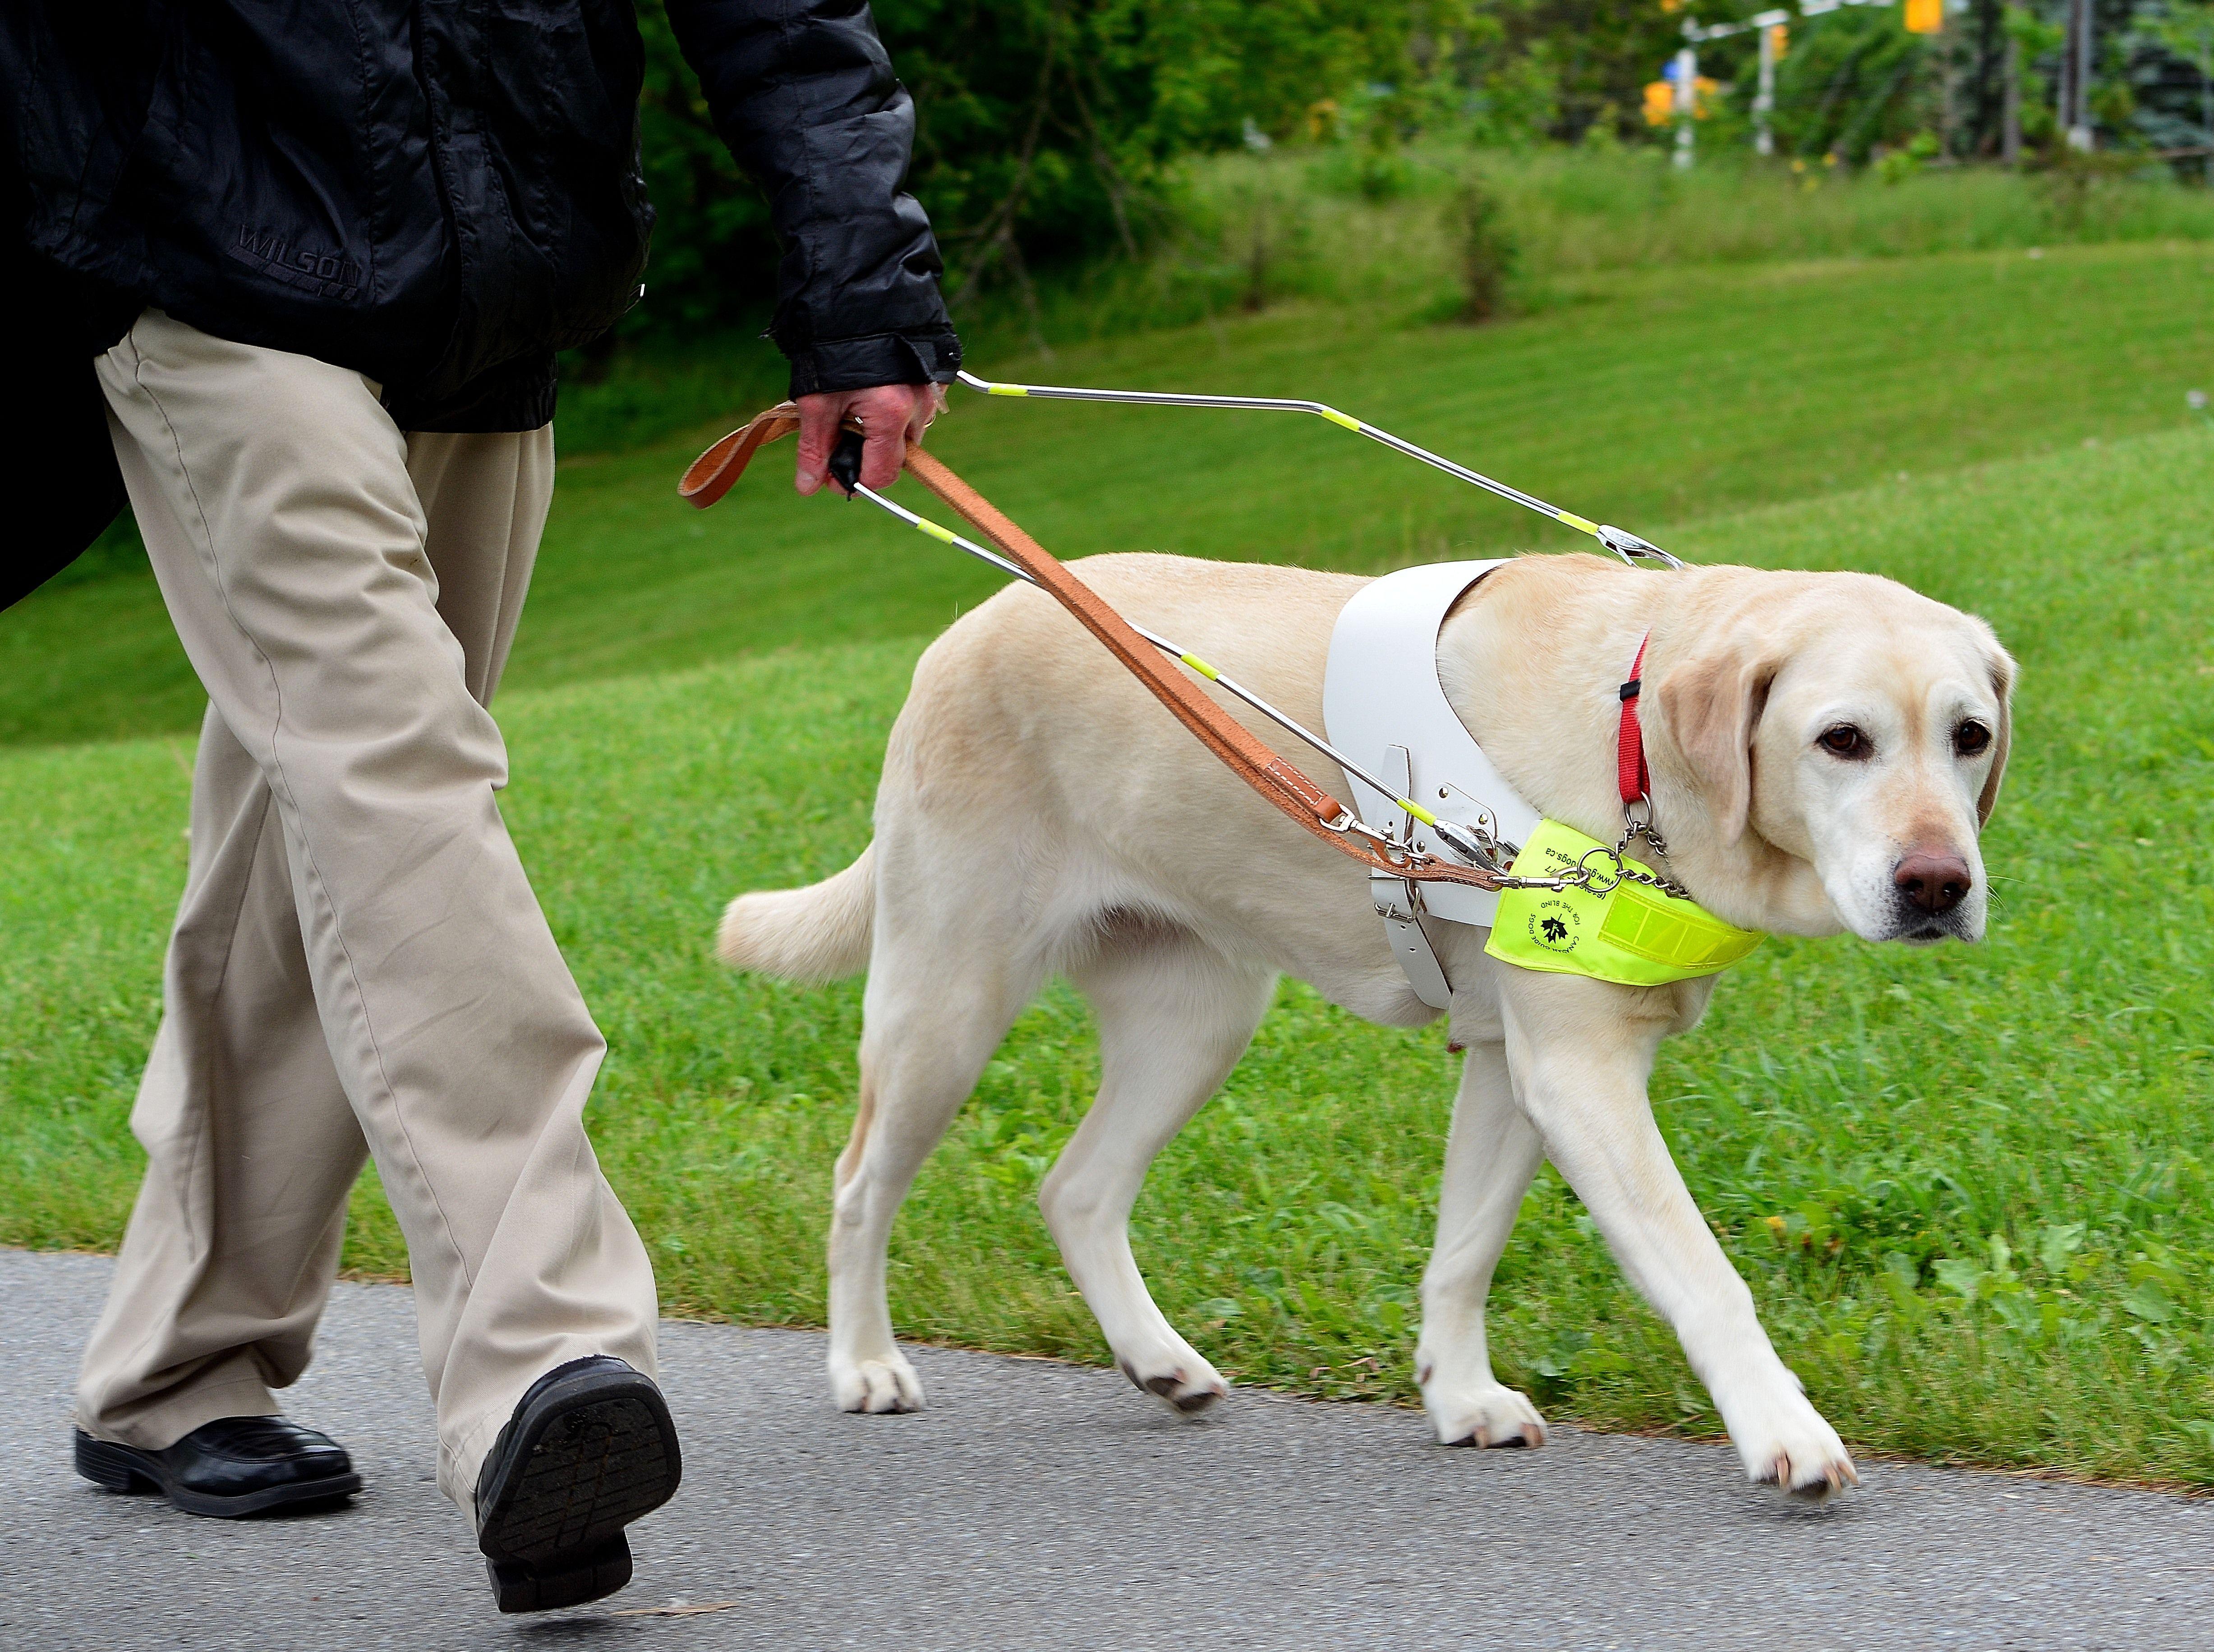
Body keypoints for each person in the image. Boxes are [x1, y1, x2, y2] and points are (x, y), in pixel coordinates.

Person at [2, 0, 957, 1615]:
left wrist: (861, 289)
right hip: (212, 269)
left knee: (317, 808)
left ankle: (177, 1359)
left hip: (489, 287)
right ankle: (544, 1358)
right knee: (399, 784)